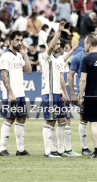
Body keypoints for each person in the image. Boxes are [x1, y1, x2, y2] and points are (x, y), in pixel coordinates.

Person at [41, 21, 71, 158]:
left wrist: (64, 93)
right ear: (51, 44)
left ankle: (60, 150)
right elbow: (52, 45)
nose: (59, 46)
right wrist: (58, 31)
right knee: (50, 121)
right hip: (50, 93)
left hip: (57, 94)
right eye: (57, 44)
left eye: (59, 44)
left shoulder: (57, 59)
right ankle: (48, 151)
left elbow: (63, 60)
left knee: (62, 120)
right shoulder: (46, 56)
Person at [0, 31, 32, 156]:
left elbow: (28, 70)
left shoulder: (19, 55)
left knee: (22, 118)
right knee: (10, 118)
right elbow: (4, 75)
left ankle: (20, 149)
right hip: (11, 94)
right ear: (10, 40)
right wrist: (11, 93)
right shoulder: (5, 56)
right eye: (17, 40)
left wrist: (25, 55)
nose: (19, 42)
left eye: (21, 40)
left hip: (20, 93)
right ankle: (2, 149)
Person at [68, 39, 93, 156]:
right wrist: (73, 93)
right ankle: (84, 147)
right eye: (85, 42)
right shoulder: (77, 57)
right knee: (84, 119)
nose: (86, 45)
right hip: (84, 93)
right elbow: (70, 75)